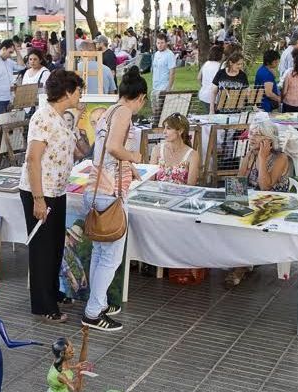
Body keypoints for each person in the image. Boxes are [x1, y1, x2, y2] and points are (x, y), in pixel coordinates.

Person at [19, 69, 89, 324]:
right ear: (67, 93)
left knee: (55, 246)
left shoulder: (61, 118)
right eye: (79, 90)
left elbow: (75, 152)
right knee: (42, 249)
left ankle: (52, 291)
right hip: (40, 192)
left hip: (57, 190)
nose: (81, 95)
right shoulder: (43, 118)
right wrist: (38, 199)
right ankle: (42, 304)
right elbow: (33, 158)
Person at [80, 66, 146, 332]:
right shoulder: (125, 114)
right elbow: (114, 148)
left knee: (100, 252)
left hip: (95, 190)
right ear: (140, 97)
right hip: (112, 194)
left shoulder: (108, 112)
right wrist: (134, 157)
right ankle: (93, 312)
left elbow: (104, 151)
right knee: (111, 258)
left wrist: (131, 168)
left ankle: (98, 301)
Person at [224, 120, 290, 286]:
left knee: (247, 221)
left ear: (269, 140)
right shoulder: (250, 154)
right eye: (251, 133)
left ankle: (241, 266)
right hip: (253, 202)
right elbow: (238, 185)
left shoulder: (281, 158)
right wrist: (231, 202)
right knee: (223, 215)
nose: (251, 137)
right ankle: (234, 258)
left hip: (273, 204)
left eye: (257, 134)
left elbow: (266, 186)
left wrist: (261, 157)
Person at [150, 112, 200, 186]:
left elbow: (191, 186)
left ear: (180, 131)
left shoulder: (193, 155)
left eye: (168, 128)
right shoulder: (157, 150)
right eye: (164, 128)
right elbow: (150, 181)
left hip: (182, 196)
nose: (164, 132)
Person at [151, 33, 177, 112]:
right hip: (155, 87)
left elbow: (172, 73)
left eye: (162, 43)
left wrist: (168, 89)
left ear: (166, 43)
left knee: (162, 112)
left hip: (164, 88)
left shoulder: (169, 55)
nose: (160, 45)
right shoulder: (156, 54)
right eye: (158, 43)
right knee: (155, 112)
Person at [197, 45, 224, 113]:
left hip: (203, 95)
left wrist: (204, 86)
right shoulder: (220, 66)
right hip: (215, 98)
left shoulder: (206, 64)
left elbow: (199, 78)